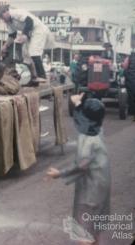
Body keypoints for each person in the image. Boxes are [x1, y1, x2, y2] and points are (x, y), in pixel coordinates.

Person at [46, 94, 110, 245]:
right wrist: (78, 104)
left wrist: (58, 174)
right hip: (101, 184)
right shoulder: (98, 129)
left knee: (83, 230)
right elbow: (85, 119)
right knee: (94, 228)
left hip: (92, 190)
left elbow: (80, 166)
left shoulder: (89, 142)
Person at [0, 4, 53, 86]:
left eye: (1, 16)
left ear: (6, 12)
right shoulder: (9, 23)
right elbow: (12, 35)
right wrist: (5, 46)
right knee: (26, 55)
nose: (2, 19)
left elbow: (29, 21)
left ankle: (42, 76)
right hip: (29, 33)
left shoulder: (16, 13)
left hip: (38, 30)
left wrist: (25, 35)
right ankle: (34, 78)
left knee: (34, 52)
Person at [121, 51, 135, 121]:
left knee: (130, 95)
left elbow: (124, 66)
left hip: (131, 79)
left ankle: (131, 111)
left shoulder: (129, 57)